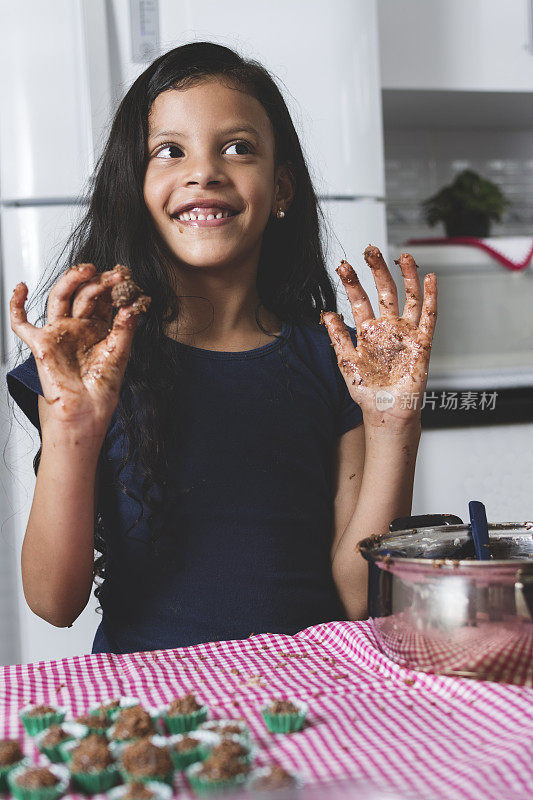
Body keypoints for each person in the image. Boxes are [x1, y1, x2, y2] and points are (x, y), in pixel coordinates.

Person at [7, 42, 437, 655]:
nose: (204, 172)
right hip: (152, 705)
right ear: (137, 186)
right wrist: (74, 422)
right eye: (169, 151)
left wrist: (395, 424)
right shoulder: (94, 363)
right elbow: (53, 602)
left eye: (237, 148)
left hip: (313, 697)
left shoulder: (338, 362)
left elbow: (360, 598)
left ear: (280, 186)